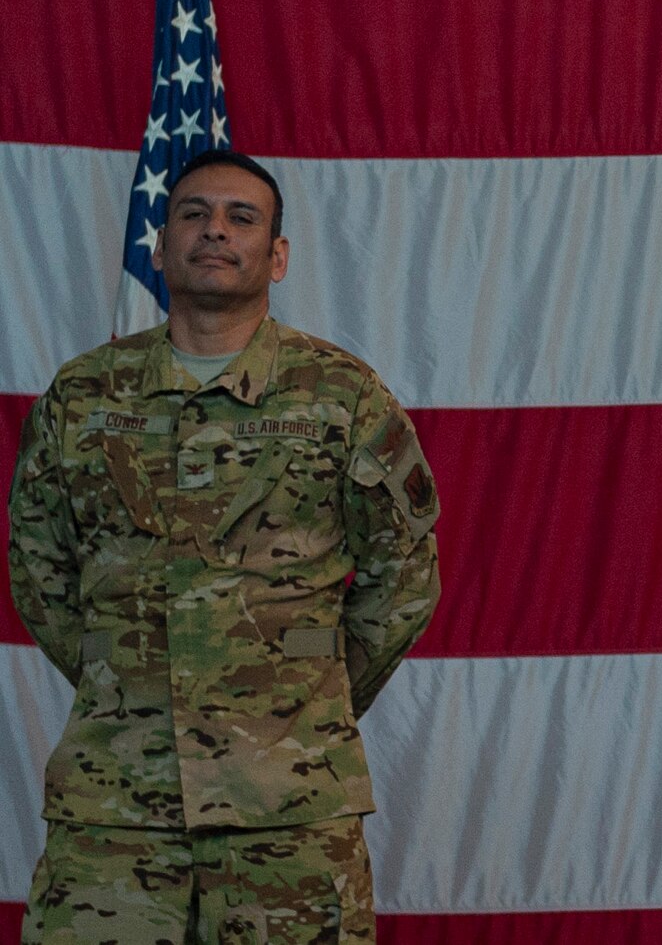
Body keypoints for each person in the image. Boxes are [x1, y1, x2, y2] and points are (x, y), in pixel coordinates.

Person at [9, 148, 441, 943]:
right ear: (159, 245)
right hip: (115, 806)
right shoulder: (83, 396)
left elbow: (403, 576)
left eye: (242, 217)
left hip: (289, 804)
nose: (216, 230)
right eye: (193, 214)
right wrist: (134, 673)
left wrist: (300, 682)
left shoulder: (341, 395)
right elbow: (38, 567)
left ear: (276, 255)